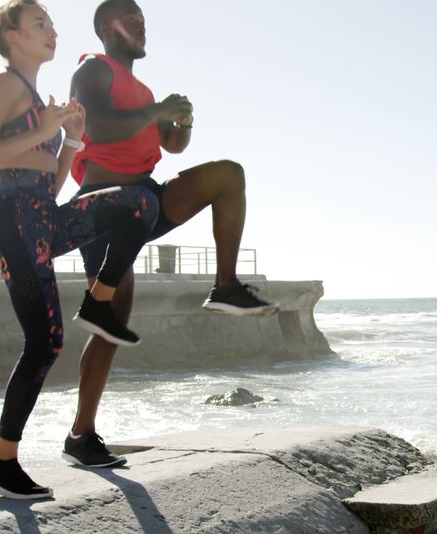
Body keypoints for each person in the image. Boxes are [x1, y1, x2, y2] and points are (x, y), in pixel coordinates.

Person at [0, 0, 161, 499]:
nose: (52, 31)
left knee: (138, 203)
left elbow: (52, 185)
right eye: (40, 23)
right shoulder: (3, 87)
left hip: (42, 215)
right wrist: (44, 131)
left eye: (53, 23)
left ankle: (97, 302)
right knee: (45, 342)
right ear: (13, 36)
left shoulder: (40, 101)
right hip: (9, 219)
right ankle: (2, 463)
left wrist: (71, 141)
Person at [58, 0, 278, 468]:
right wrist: (158, 108)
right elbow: (98, 124)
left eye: (144, 19)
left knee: (227, 176)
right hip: (106, 205)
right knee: (111, 320)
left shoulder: (142, 89)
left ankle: (225, 285)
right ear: (105, 27)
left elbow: (172, 145)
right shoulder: (93, 71)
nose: (141, 25)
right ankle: (82, 435)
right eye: (131, 18)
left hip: (149, 197)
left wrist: (182, 120)